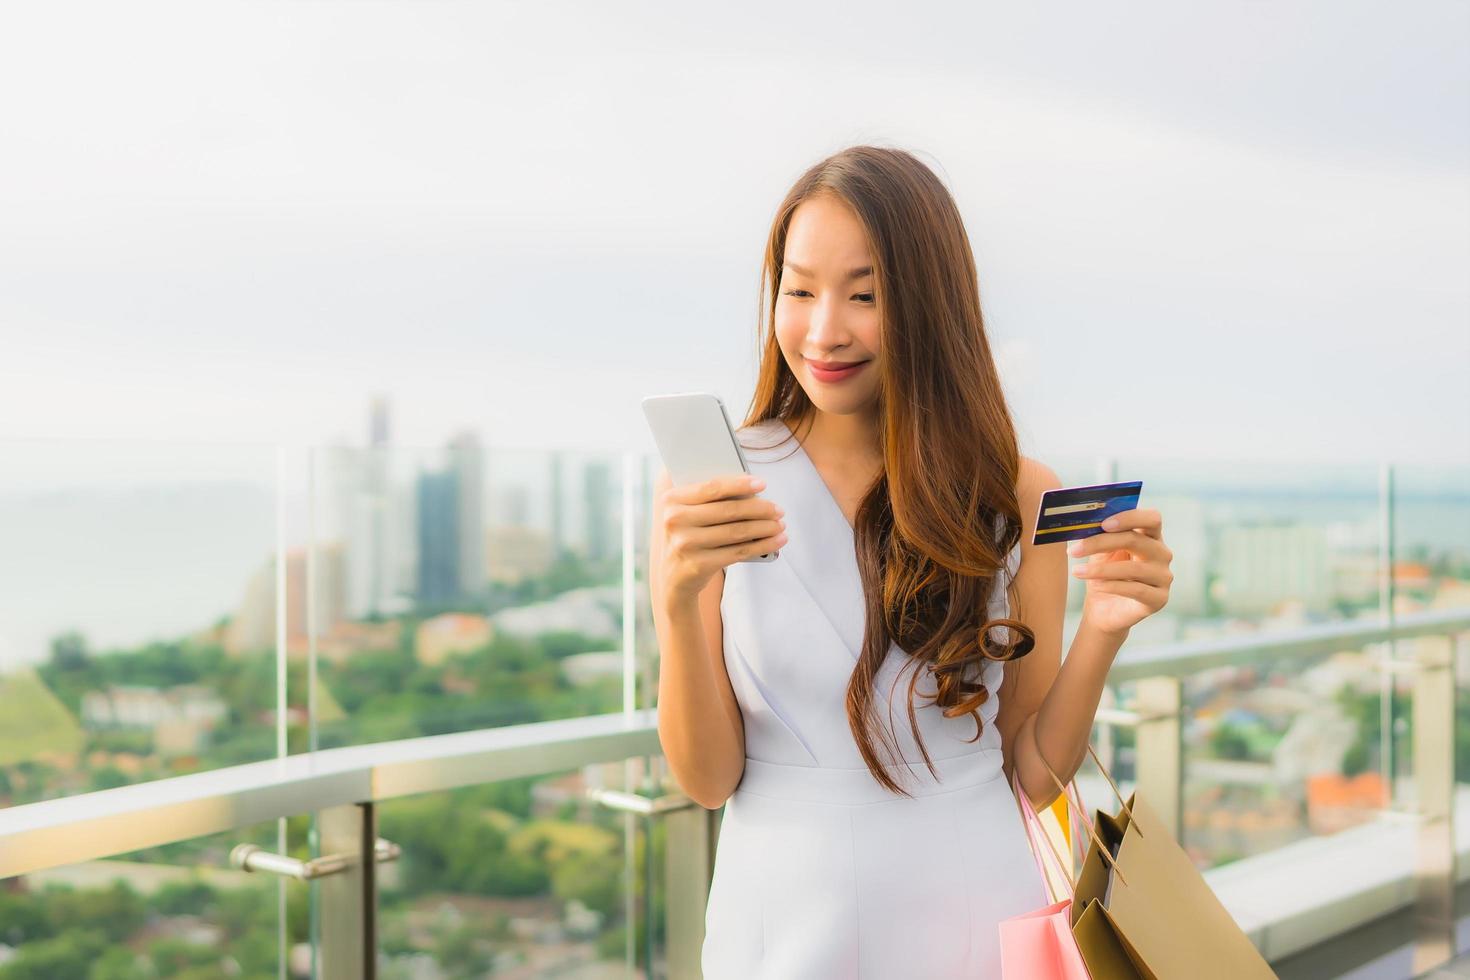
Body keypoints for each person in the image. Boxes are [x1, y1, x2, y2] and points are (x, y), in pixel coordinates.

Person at [649, 144, 1175, 978]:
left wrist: (1105, 630)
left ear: (931, 306)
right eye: (799, 290)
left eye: (865, 295)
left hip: (970, 907)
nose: (825, 330)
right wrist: (677, 601)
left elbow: (1031, 774)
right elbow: (708, 780)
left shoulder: (1017, 495)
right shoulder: (717, 486)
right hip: (776, 922)